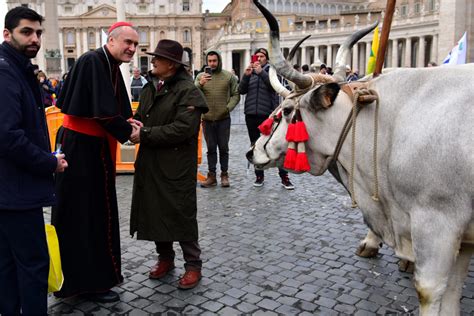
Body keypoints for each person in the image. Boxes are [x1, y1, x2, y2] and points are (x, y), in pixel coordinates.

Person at [51, 21, 140, 302]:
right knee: (85, 214)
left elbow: (112, 108)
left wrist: (128, 121)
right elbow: (102, 112)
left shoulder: (109, 64)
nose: (132, 49)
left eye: (136, 45)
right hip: (83, 149)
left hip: (92, 147)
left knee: (93, 212)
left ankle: (86, 281)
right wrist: (129, 132)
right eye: (127, 42)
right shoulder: (93, 61)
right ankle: (85, 284)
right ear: (111, 41)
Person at [0, 7, 68, 315]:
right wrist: (49, 162)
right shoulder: (6, 72)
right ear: (7, 33)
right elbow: (8, 136)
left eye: (39, 32)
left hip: (11, 188)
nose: (35, 39)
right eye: (26, 32)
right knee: (33, 264)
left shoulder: (17, 67)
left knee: (9, 264)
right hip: (15, 190)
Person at [129, 39, 208, 290]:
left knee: (181, 214)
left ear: (172, 65)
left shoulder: (189, 90)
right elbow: (143, 117)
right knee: (154, 212)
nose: (152, 61)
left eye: (158, 58)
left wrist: (145, 134)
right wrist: (134, 125)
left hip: (176, 167)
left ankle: (193, 265)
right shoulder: (151, 87)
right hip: (151, 163)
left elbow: (184, 129)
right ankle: (165, 259)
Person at [238, 48, 294, 190]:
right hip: (251, 113)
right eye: (257, 56)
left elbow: (274, 87)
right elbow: (241, 90)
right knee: (255, 145)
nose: (259, 59)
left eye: (262, 56)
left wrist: (261, 73)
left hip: (268, 114)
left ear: (266, 59)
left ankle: (284, 177)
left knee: (277, 145)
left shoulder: (271, 71)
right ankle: (259, 175)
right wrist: (245, 76)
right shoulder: (250, 72)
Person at [195, 50, 240, 187]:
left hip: (223, 119)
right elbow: (192, 93)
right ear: (206, 62)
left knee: (224, 148)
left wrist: (227, 108)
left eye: (214, 61)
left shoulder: (228, 76)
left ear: (219, 60)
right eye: (210, 61)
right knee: (211, 148)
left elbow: (235, 94)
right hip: (207, 119)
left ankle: (224, 175)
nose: (212, 63)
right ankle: (212, 176)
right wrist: (200, 84)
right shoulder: (200, 77)